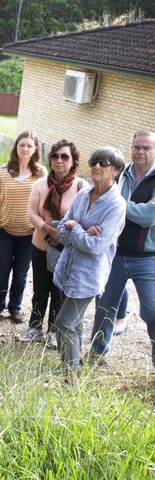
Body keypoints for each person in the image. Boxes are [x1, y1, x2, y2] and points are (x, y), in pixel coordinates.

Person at [52, 147, 126, 377]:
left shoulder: (116, 205)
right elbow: (61, 230)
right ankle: (73, 366)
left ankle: (70, 374)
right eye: (94, 161)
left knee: (63, 324)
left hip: (87, 277)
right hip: (67, 270)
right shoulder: (84, 194)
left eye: (103, 163)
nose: (96, 166)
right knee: (74, 324)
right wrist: (80, 230)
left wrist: (76, 228)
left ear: (115, 171)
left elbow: (97, 246)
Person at [90, 130, 155, 367]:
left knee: (152, 310)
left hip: (147, 258)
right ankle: (97, 354)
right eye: (137, 146)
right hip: (115, 253)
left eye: (147, 148)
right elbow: (101, 202)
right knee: (105, 306)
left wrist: (117, 205)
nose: (140, 151)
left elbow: (150, 217)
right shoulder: (122, 173)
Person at [16, 140, 87, 347]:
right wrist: (46, 228)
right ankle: (34, 327)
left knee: (58, 291)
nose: (59, 160)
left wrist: (64, 232)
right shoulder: (40, 185)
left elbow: (83, 217)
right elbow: (31, 212)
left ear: (73, 161)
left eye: (65, 157)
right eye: (55, 156)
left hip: (65, 250)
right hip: (40, 245)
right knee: (40, 289)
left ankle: (54, 332)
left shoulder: (81, 188)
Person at [0, 131, 46, 323]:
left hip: (29, 234)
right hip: (5, 232)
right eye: (22, 145)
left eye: (29, 145)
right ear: (16, 147)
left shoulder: (41, 174)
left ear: (35, 148)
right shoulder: (2, 172)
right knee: (1, 270)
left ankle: (15, 307)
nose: (25, 149)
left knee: (21, 273)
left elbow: (44, 203)